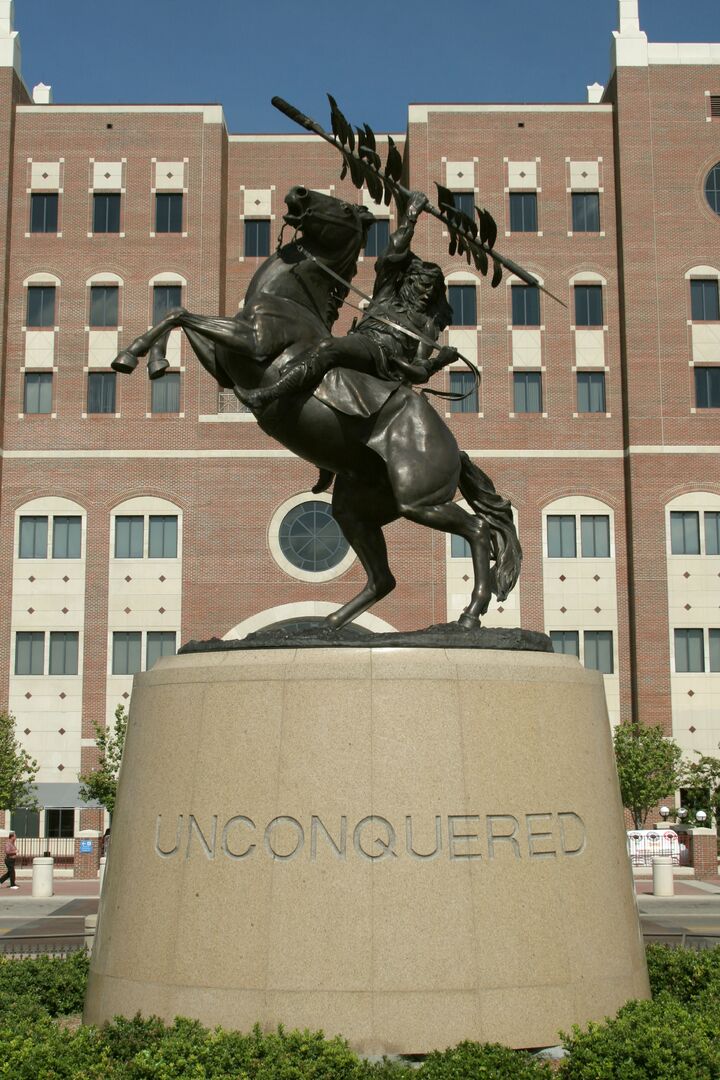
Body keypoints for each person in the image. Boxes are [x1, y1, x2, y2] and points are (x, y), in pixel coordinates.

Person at [240, 191, 459, 410]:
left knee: (327, 347)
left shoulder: (427, 325)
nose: (427, 292)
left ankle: (268, 394)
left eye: (432, 288)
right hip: (363, 342)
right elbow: (394, 249)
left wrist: (439, 361)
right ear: (410, 282)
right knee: (324, 346)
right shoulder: (388, 292)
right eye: (423, 284)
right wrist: (411, 215)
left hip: (380, 357)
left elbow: (420, 371)